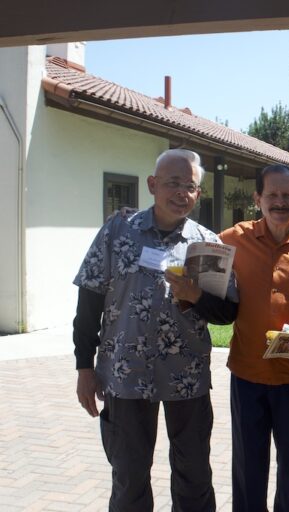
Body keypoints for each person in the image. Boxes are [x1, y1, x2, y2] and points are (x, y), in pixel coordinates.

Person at [72, 148, 238, 511]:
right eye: (172, 183)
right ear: (152, 184)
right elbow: (89, 302)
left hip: (187, 377)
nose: (181, 193)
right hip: (124, 375)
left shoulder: (206, 244)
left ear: (199, 193)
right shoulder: (118, 230)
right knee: (129, 477)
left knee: (194, 475)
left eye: (190, 186)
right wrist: (84, 366)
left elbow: (227, 312)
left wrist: (195, 296)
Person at [219, 164, 289, 512]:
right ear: (258, 199)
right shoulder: (233, 240)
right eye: (272, 195)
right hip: (247, 375)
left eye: (287, 195)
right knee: (248, 468)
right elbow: (192, 252)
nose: (279, 202)